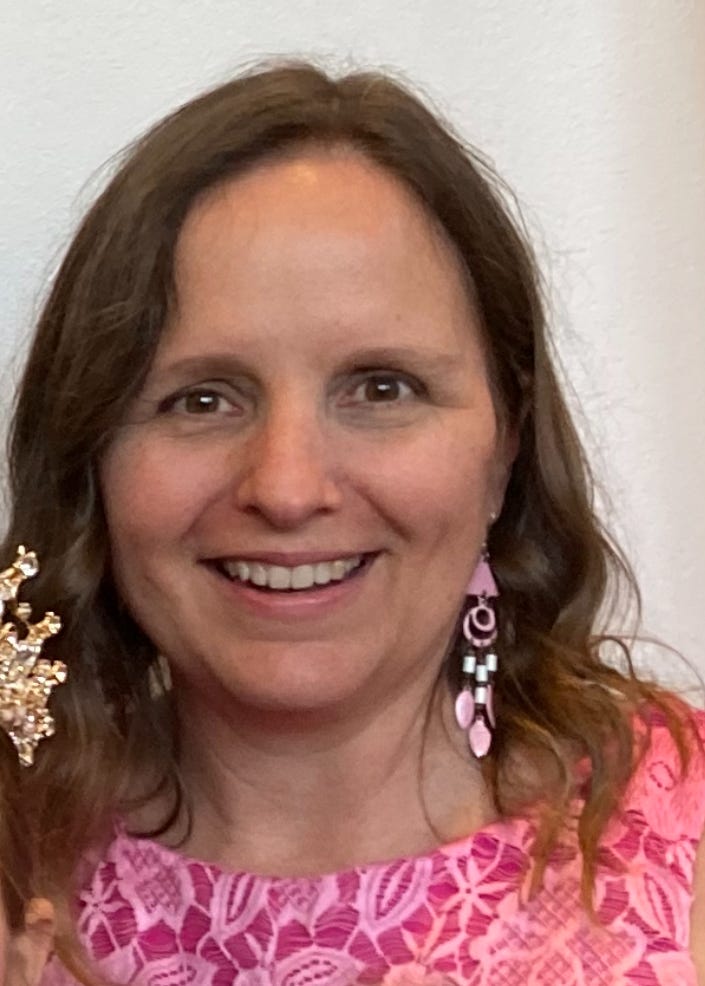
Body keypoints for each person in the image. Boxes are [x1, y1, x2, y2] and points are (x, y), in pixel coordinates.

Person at [2, 60, 704, 985]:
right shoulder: (16, 861)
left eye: (381, 388)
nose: (287, 488)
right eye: (200, 399)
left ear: (505, 448)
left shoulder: (685, 840)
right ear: (90, 455)